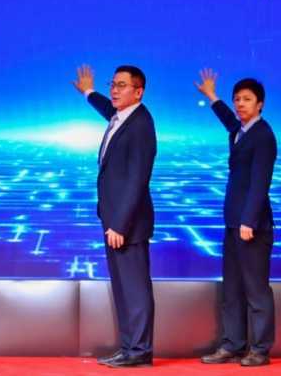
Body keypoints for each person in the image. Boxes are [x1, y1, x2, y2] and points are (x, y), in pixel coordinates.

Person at [72, 64, 157, 368]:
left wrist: (120, 224)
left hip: (127, 224)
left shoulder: (141, 124)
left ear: (139, 91)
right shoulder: (122, 116)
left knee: (134, 289)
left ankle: (139, 351)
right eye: (113, 84)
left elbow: (138, 178)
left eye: (122, 85)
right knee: (123, 289)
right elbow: (108, 109)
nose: (115, 90)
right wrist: (88, 92)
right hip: (114, 220)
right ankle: (129, 347)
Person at [195, 70, 277, 367]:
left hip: (251, 226)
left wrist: (248, 221)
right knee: (231, 289)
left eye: (247, 100)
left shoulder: (264, 135)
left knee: (256, 290)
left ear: (260, 104)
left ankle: (260, 349)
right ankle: (232, 344)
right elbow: (229, 120)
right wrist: (212, 97)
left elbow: (260, 182)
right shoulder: (240, 131)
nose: (240, 104)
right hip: (232, 223)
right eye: (237, 99)